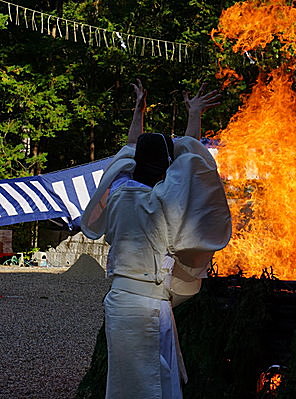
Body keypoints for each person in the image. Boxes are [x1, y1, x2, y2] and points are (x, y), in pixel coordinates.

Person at [81, 80, 231, 399]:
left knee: (137, 383)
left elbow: (129, 152)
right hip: (146, 305)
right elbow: (192, 160)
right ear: (165, 165)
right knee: (147, 386)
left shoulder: (119, 193)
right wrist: (194, 113)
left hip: (123, 301)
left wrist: (139, 111)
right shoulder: (163, 200)